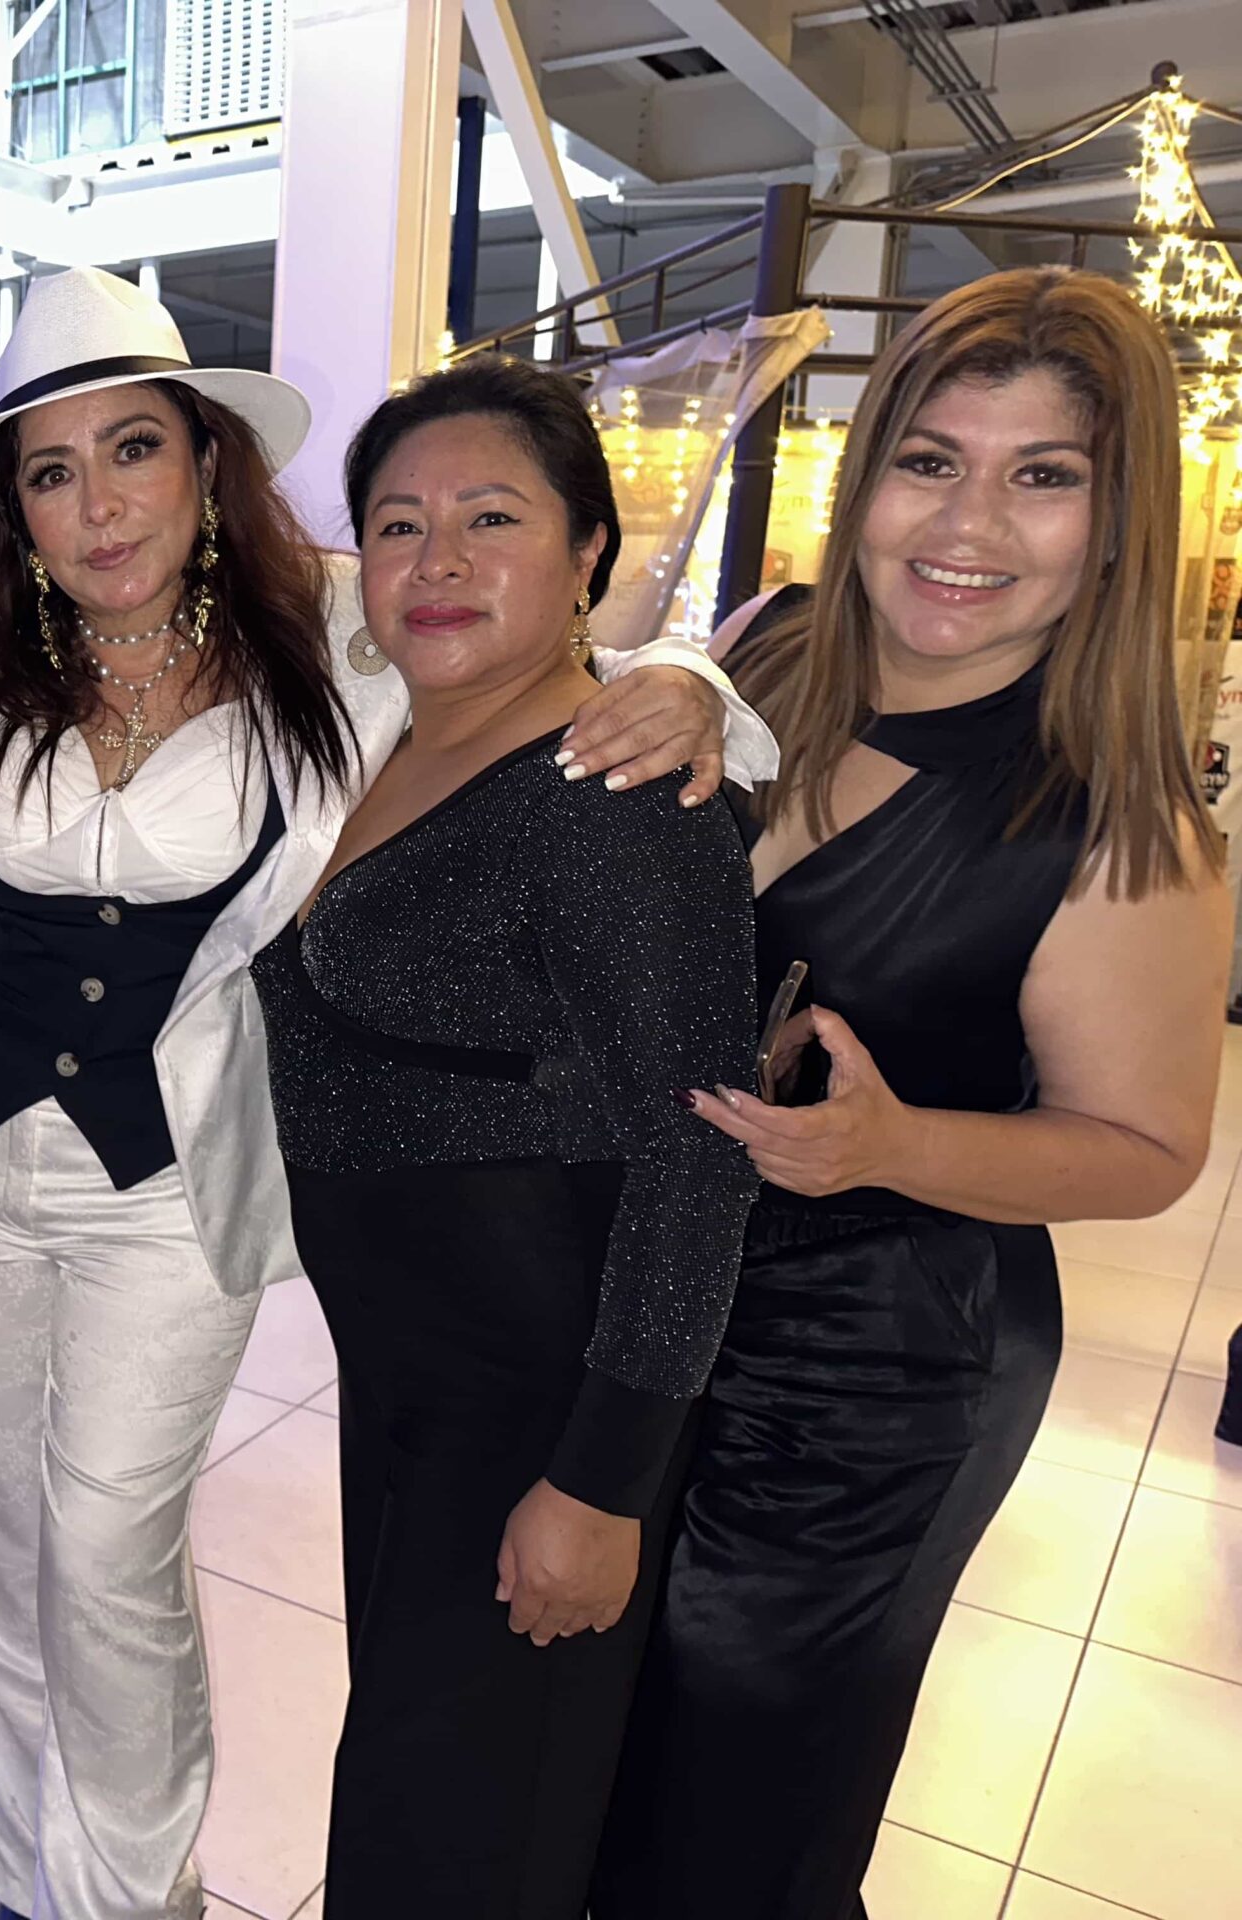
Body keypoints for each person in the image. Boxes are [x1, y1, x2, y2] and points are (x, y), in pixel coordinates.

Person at [0, 265, 778, 1920]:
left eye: (135, 449)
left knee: (105, 1549)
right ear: (15, 510)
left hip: (166, 1187)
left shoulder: (334, 639)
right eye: (53, 471)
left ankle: (130, 1893)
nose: (101, 504)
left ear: (203, 461)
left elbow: (540, 643)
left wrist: (699, 684)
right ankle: (25, 1869)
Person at [592, 266, 1229, 1920]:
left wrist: (888, 1145)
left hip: (867, 1379)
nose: (969, 524)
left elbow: (1151, 1151)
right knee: (590, 1773)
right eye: (931, 460)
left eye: (1043, 475)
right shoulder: (773, 645)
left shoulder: (1121, 826)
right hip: (648, 1317)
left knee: (738, 1835)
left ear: (1118, 524)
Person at [248, 355, 758, 1914]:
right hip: (413, 1379)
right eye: (399, 527)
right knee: (433, 1792)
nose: (440, 561)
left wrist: (603, 1482)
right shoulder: (391, 734)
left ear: (589, 550)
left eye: (492, 518)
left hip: (535, 1396)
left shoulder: (615, 789)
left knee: (460, 1837)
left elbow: (699, 1153)